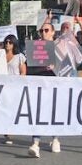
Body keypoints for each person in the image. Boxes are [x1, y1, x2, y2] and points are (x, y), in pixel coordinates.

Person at [28, 19, 61, 157]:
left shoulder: (60, 47)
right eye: (41, 30)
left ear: (53, 32)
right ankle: (35, 143)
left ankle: (55, 139)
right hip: (39, 84)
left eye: (46, 30)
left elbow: (69, 68)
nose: (43, 33)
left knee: (54, 112)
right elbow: (29, 68)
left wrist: (55, 67)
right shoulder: (35, 47)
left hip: (55, 85)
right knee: (38, 113)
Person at [1, 35, 27, 144]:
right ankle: (6, 130)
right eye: (6, 42)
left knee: (12, 109)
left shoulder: (19, 56)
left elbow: (23, 72)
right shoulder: (0, 55)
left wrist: (19, 82)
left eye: (10, 42)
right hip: (3, 86)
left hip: (15, 86)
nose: (8, 44)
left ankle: (10, 131)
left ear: (14, 44)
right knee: (4, 108)